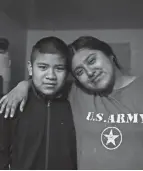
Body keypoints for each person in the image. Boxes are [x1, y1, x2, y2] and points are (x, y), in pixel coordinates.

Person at [0, 36, 143, 169]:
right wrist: (24, 85)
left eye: (92, 60)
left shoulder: (138, 89)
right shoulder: (77, 92)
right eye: (79, 71)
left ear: (110, 56)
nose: (90, 72)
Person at [0, 37, 77, 169]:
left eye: (59, 68)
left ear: (67, 72)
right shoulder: (13, 103)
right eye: (43, 67)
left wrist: (26, 83)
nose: (51, 76)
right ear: (30, 68)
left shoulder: (76, 101)